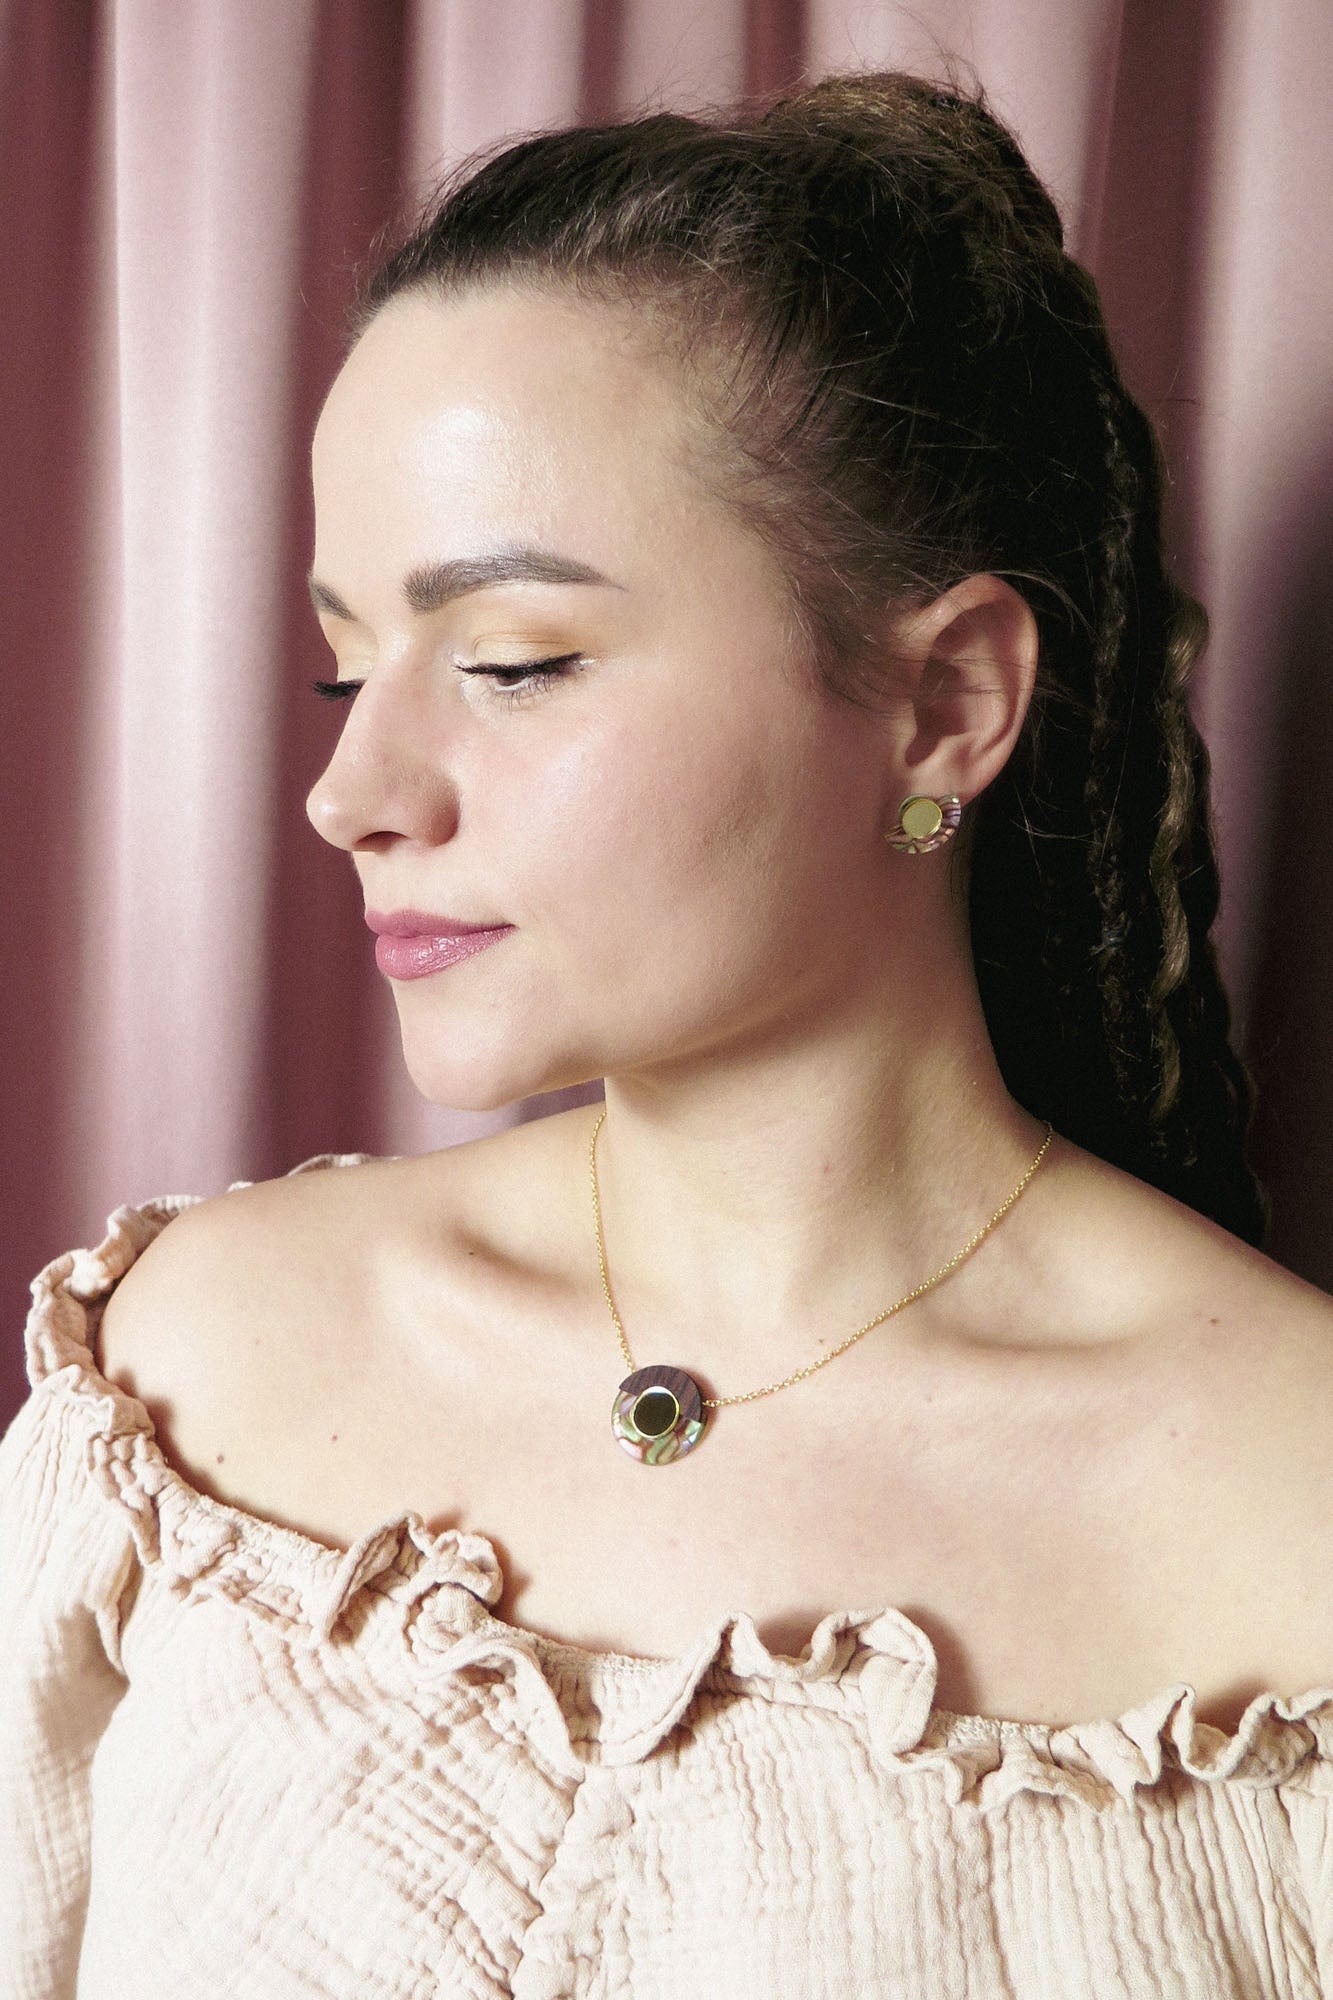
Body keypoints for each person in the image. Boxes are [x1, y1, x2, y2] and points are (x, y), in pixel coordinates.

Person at [3, 66, 1331, 2000]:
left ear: (946, 702)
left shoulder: (1293, 1519)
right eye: (342, 666)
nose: (353, 790)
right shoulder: (181, 1380)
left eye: (513, 664)